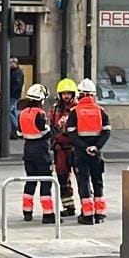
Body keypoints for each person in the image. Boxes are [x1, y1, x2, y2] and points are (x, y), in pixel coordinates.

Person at [64, 79, 111, 225]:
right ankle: (100, 214)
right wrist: (96, 147)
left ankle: (87, 215)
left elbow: (71, 134)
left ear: (80, 95)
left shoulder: (74, 112)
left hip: (81, 153)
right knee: (98, 181)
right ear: (92, 95)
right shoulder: (101, 111)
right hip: (96, 153)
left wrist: (84, 147)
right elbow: (106, 132)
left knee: (84, 183)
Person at [17, 83, 55, 224]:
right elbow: (46, 133)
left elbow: (19, 133)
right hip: (41, 152)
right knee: (46, 182)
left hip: (28, 150)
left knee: (30, 181)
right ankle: (48, 214)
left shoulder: (22, 114)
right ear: (41, 99)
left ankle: (27, 212)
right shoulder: (40, 114)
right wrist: (56, 128)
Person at [48, 78, 79, 218]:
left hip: (75, 148)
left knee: (82, 178)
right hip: (60, 149)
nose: (66, 96)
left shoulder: (78, 109)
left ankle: (87, 208)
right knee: (62, 178)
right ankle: (69, 207)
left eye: (68, 93)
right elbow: (50, 126)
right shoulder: (55, 109)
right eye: (63, 93)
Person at [8, 58, 25, 138]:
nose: (9, 64)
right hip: (13, 95)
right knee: (13, 111)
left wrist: (11, 94)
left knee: (7, 111)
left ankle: (16, 127)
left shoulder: (17, 73)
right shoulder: (13, 72)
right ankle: (15, 130)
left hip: (13, 95)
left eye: (10, 62)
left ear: (15, 63)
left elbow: (16, 86)